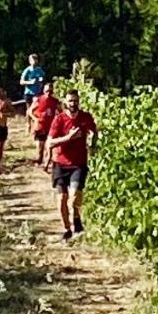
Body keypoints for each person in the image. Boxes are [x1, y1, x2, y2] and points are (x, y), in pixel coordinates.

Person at [46, 88, 97, 240]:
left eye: (75, 100)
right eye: (70, 101)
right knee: (62, 199)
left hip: (78, 163)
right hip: (60, 163)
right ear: (65, 102)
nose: (73, 103)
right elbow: (50, 142)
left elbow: (94, 131)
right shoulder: (59, 119)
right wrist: (68, 137)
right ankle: (67, 229)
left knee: (74, 196)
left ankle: (76, 216)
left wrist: (93, 142)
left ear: (78, 101)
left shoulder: (85, 117)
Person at [27, 80, 61, 167]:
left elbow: (60, 112)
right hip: (40, 126)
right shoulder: (39, 100)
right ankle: (39, 160)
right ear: (43, 91)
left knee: (48, 145)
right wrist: (35, 119)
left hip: (50, 126)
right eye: (47, 91)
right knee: (40, 145)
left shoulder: (55, 101)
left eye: (50, 91)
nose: (48, 93)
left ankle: (46, 162)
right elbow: (30, 111)